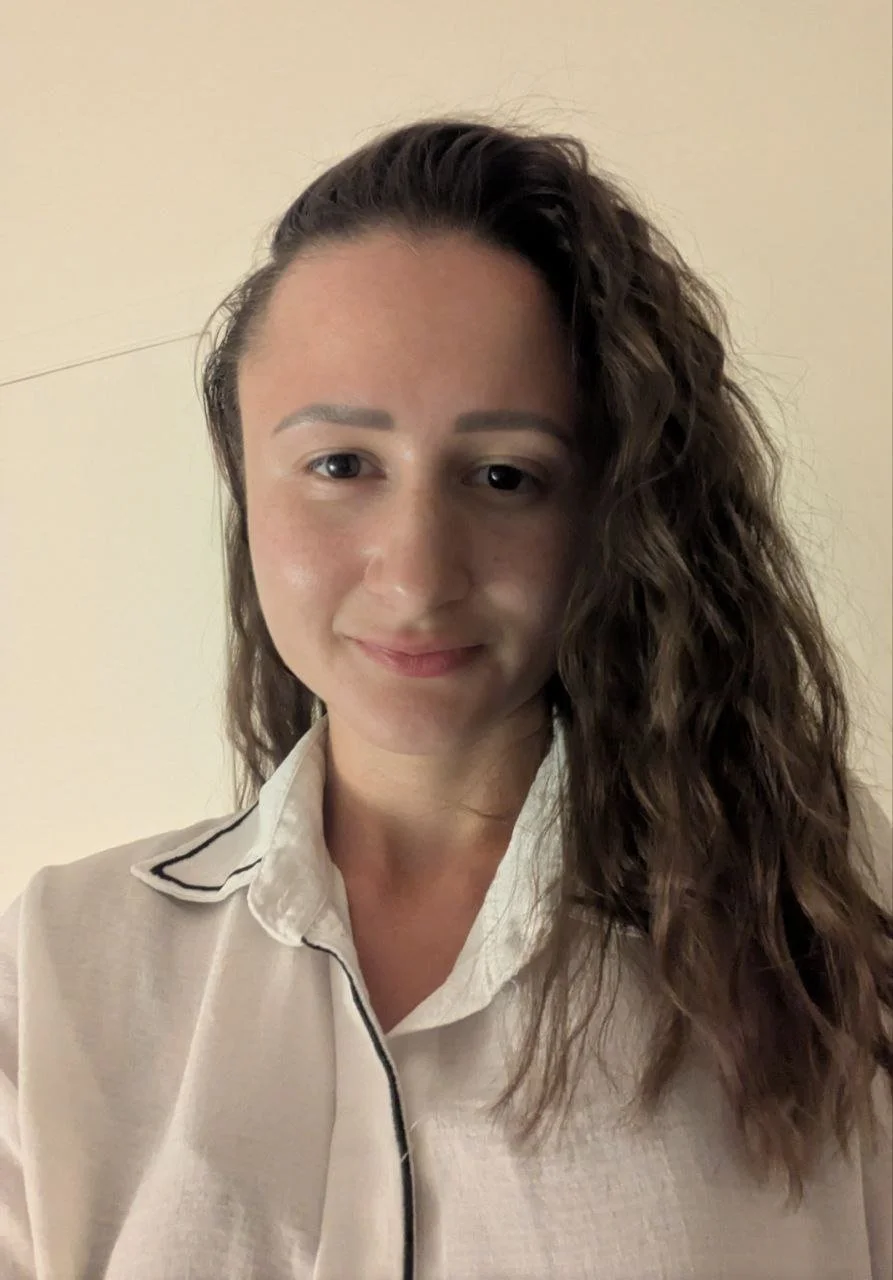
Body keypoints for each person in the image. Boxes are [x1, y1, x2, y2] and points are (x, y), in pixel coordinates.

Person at [1, 117, 890, 1280]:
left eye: (505, 475)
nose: (417, 577)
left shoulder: (826, 918)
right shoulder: (57, 966)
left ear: (610, 509)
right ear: (243, 480)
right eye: (340, 465)